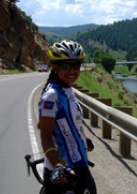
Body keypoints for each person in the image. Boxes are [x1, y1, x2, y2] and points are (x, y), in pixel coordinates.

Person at [38, 40, 97, 194]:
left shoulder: (67, 89)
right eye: (66, 65)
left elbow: (72, 123)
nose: (72, 70)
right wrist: (57, 166)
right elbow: (45, 136)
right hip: (63, 173)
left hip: (80, 166)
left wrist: (84, 138)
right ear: (55, 66)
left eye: (76, 65)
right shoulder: (52, 95)